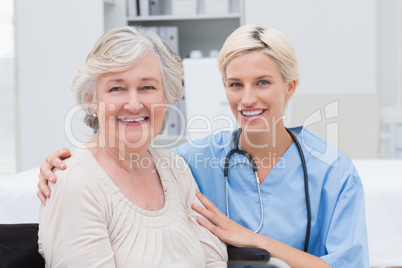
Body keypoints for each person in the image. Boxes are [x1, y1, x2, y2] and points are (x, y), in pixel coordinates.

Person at [37, 24, 369, 268]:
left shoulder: (332, 171)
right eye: (236, 84)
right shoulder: (193, 161)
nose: (248, 98)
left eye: (263, 82)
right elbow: (114, 165)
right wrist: (61, 166)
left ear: (290, 86)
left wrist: (256, 241)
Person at [37, 26, 228, 267]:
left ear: (166, 98)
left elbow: (214, 260)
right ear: (91, 101)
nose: (134, 104)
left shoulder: (175, 167)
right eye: (116, 88)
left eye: (147, 87)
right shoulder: (74, 183)